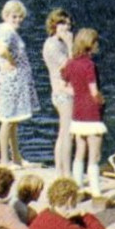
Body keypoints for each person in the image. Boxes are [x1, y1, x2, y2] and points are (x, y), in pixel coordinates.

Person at [62, 27, 107, 194]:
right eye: (96, 42)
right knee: (94, 154)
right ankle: (96, 191)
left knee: (80, 151)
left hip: (78, 112)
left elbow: (65, 86)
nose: (97, 46)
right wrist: (102, 100)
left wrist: (79, 93)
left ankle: (78, 187)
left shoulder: (71, 63)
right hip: (92, 113)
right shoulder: (89, 65)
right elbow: (94, 91)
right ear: (90, 44)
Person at [0, 0, 38, 167]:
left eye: (20, 17)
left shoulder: (10, 30)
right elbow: (2, 49)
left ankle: (16, 157)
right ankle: (5, 160)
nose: (18, 20)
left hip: (16, 81)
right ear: (6, 16)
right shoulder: (6, 31)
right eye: (14, 16)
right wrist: (11, 61)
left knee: (14, 120)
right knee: (7, 119)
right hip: (10, 81)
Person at [42, 9, 75, 173]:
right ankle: (66, 173)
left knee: (63, 132)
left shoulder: (60, 43)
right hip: (62, 93)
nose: (66, 28)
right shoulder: (52, 45)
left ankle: (59, 171)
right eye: (62, 23)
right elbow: (68, 67)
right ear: (54, 25)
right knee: (67, 133)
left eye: (68, 24)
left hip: (66, 91)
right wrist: (70, 46)